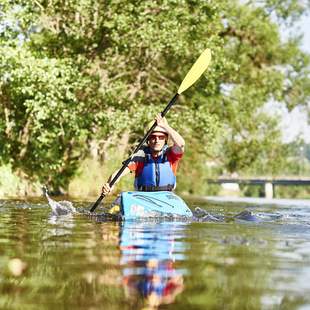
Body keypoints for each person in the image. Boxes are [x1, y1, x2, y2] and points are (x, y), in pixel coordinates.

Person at [102, 113, 185, 195]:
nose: (157, 140)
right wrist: (110, 184)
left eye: (161, 137)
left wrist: (165, 126)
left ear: (165, 139)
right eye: (153, 137)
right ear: (148, 139)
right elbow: (120, 172)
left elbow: (181, 144)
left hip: (167, 196)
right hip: (144, 196)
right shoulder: (140, 155)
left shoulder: (171, 154)